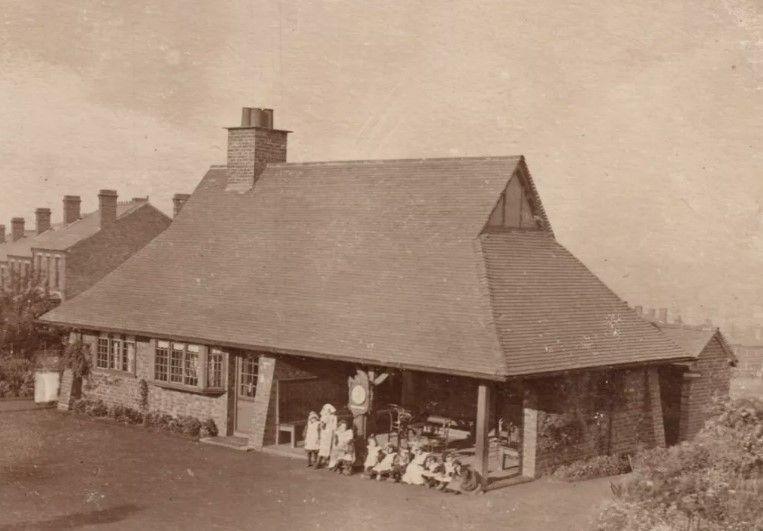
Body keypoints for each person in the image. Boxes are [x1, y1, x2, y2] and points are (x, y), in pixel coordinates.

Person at [316, 403, 337, 469]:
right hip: (325, 433)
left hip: (329, 433)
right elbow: (321, 426)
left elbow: (334, 426)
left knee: (327, 448)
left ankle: (326, 462)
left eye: (328, 410)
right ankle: (318, 462)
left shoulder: (332, 417)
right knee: (324, 447)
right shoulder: (325, 416)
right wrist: (322, 424)